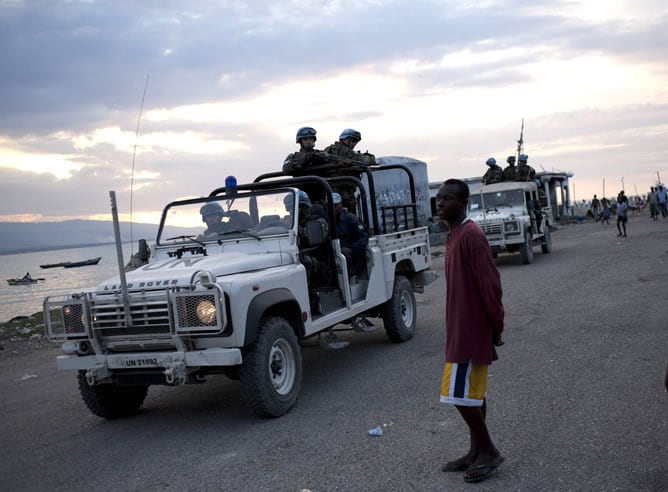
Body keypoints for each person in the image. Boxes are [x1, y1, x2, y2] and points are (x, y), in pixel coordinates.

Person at [435, 179, 505, 484]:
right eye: (438, 199)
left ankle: (489, 450)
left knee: (458, 395)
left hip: (471, 330)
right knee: (473, 394)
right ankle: (476, 451)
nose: (440, 203)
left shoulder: (471, 235)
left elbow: (491, 286)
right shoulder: (454, 234)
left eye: (447, 199)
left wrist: (496, 326)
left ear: (463, 203)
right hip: (460, 328)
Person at [323, 129, 376, 214]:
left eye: (356, 141)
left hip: (336, 190)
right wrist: (370, 157)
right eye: (353, 140)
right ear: (345, 139)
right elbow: (366, 161)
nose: (355, 144)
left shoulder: (330, 149)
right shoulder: (343, 151)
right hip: (343, 191)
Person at [332, 192, 369, 276]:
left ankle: (350, 276)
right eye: (331, 205)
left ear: (341, 204)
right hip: (332, 254)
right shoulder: (325, 221)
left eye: (336, 204)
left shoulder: (350, 219)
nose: (334, 207)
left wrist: (352, 250)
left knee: (343, 252)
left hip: (349, 255)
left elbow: (363, 236)